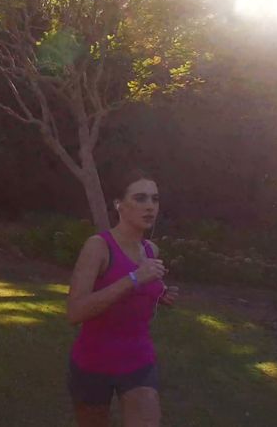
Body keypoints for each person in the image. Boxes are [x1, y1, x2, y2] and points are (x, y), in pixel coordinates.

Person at [66, 171, 178, 427]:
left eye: (155, 199)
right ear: (119, 204)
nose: (150, 205)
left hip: (138, 358)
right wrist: (134, 279)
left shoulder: (151, 250)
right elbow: (75, 312)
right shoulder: (98, 247)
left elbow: (140, 292)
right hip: (93, 362)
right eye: (140, 198)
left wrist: (160, 294)